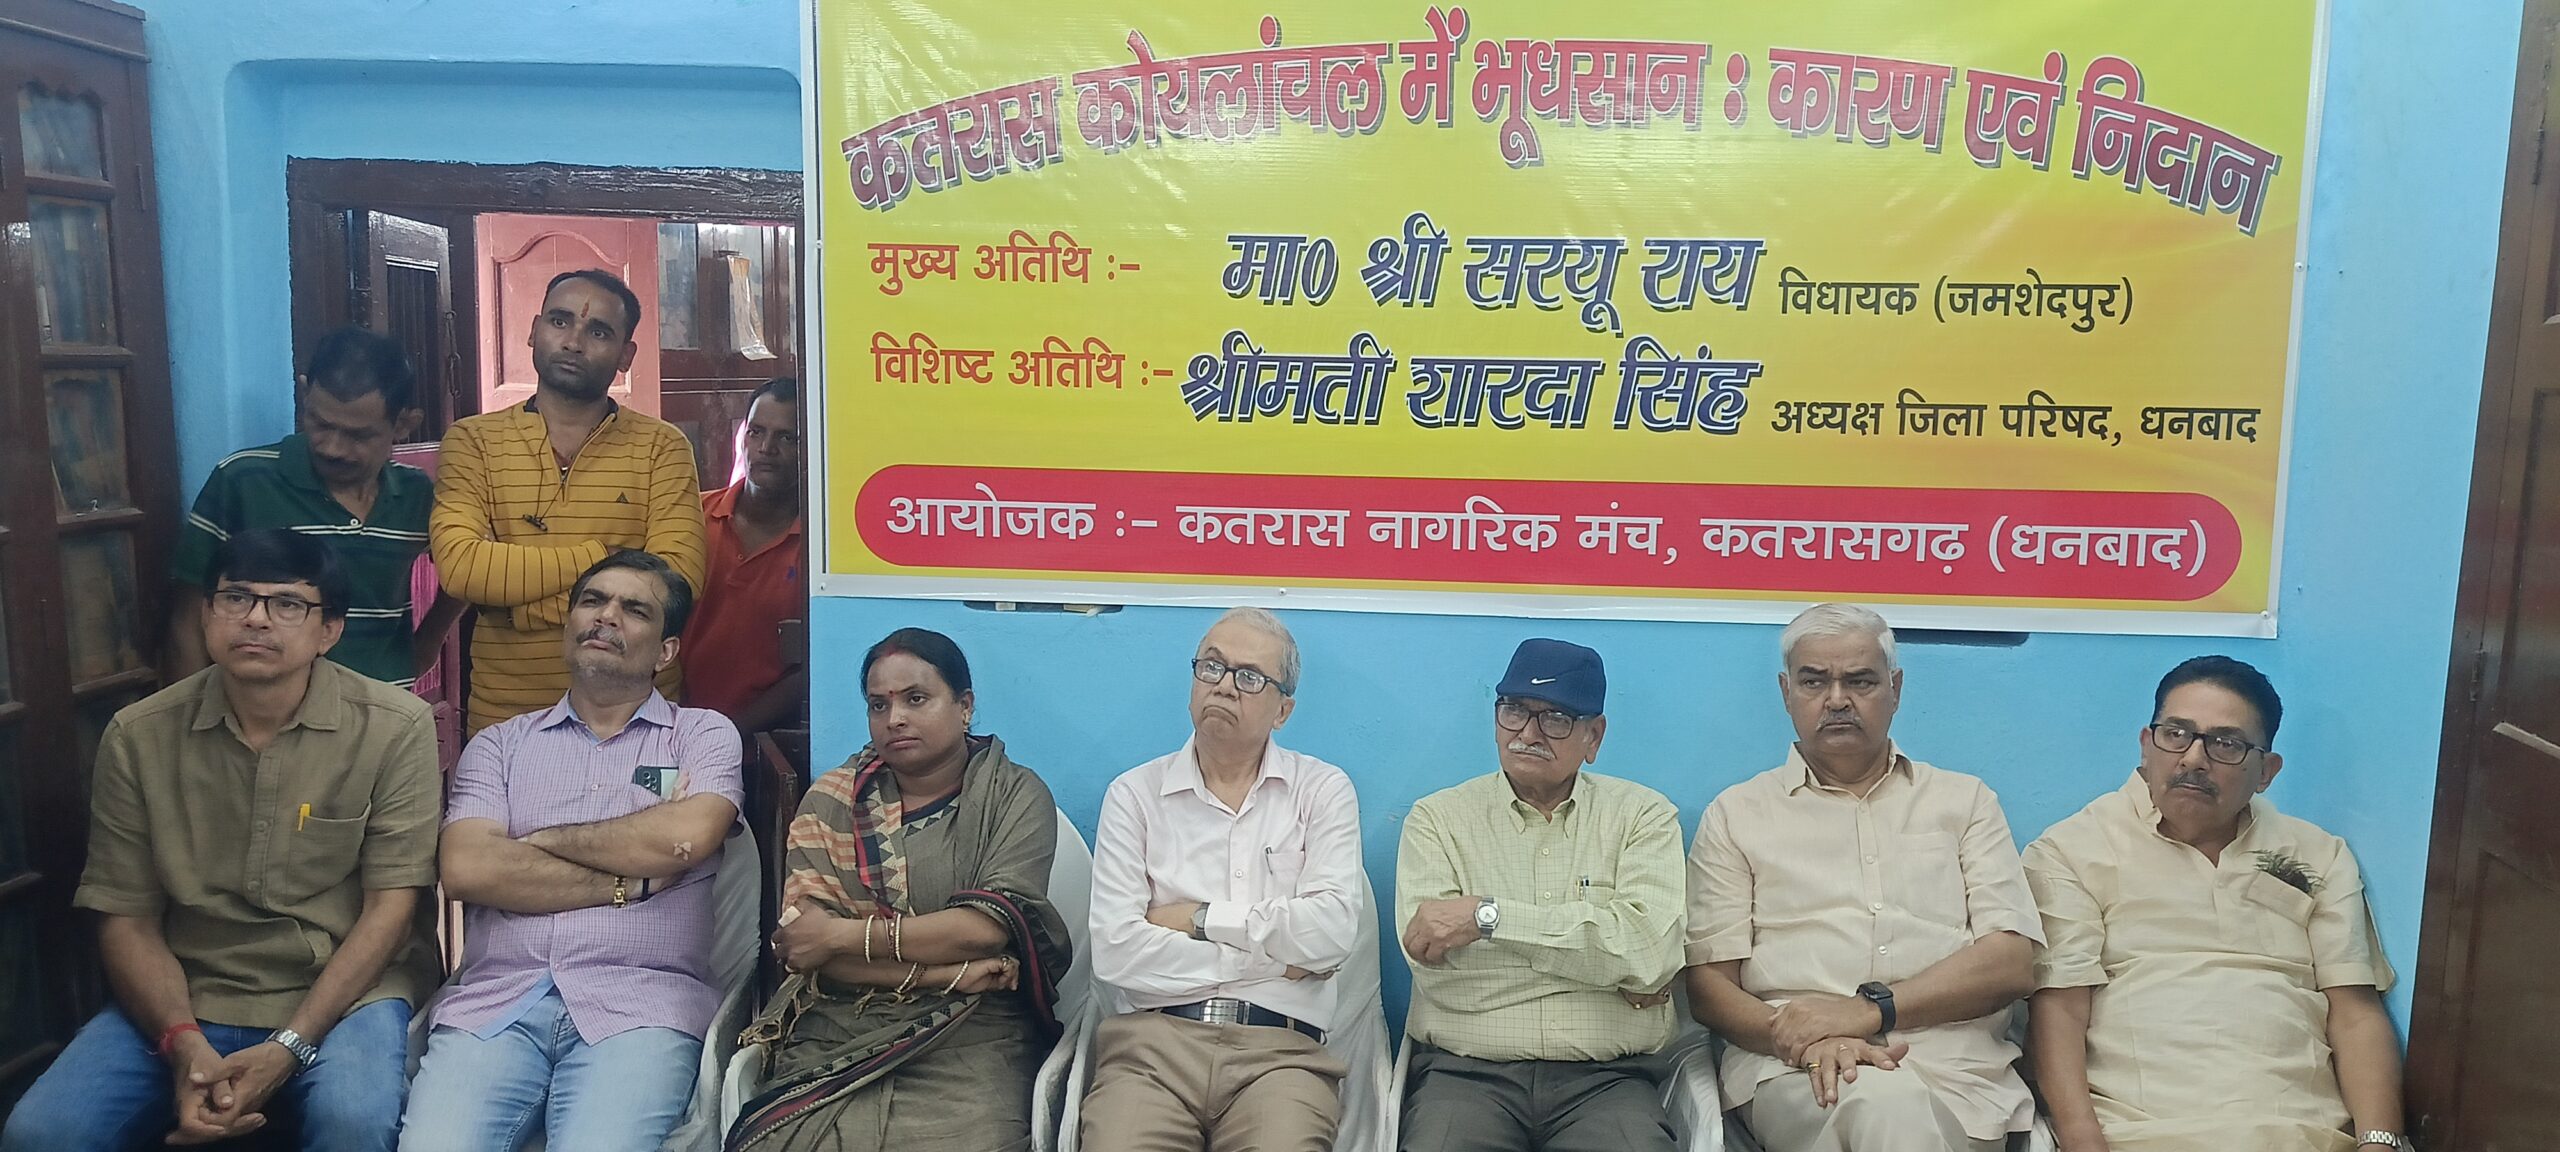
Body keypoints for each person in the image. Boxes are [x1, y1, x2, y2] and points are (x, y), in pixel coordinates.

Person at [2, 529, 441, 1152]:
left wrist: (289, 1047)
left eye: (287, 603)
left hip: (347, 994)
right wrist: (183, 1044)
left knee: (354, 1121)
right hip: (191, 989)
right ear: (207, 614)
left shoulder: (393, 728)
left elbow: (392, 911)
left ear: (330, 631)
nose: (256, 619)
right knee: (41, 1132)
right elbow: (126, 918)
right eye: (236, 597)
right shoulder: (139, 735)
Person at [400, 550, 742, 1151]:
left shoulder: (702, 734)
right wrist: (632, 881)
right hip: (495, 1005)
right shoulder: (499, 745)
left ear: (665, 652)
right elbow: (469, 869)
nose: (606, 616)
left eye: (634, 610)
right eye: (592, 601)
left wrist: (538, 841)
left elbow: (682, 838)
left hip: (641, 1006)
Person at [1684, 603, 2042, 1152]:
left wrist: (1868, 1011)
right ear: (1785, 692)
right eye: (1814, 681)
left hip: (1962, 1077)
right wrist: (1800, 1041)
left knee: (1903, 1116)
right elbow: (1710, 989)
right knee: (1885, 1108)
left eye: (1860, 681)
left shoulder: (1965, 802)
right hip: (1804, 1072)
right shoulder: (1737, 815)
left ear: (1895, 689)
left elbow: (2011, 961)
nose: (1837, 699)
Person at [2024, 657, 2407, 1152]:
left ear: (2266, 771)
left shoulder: (2318, 854)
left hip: (2304, 1134)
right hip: (2140, 1134)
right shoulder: (2072, 850)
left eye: (2226, 743)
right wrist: (2082, 1143)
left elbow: (2355, 1015)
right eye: (2176, 734)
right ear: (2146, 744)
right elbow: (2059, 1011)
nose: (2193, 759)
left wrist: (2379, 1142)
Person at [727, 628, 1072, 1152]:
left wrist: (839, 935)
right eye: (878, 704)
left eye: (916, 699)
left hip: (973, 1031)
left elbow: (982, 931)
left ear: (964, 706)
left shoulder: (1013, 795)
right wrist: (949, 973)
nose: (895, 719)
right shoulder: (831, 803)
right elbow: (809, 953)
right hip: (840, 1023)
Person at [1082, 608, 1367, 1152]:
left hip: (1281, 1054)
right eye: (1212, 667)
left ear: (1283, 710)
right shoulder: (1134, 795)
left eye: (1250, 677)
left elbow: (1330, 933)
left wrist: (1198, 919)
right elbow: (1116, 953)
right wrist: (1274, 961)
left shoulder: (1322, 791)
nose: (1225, 686)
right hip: (1150, 1049)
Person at [1397, 638, 1686, 1152]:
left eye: (1555, 718)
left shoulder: (1643, 816)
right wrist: (1603, 971)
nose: (1528, 734)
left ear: (1594, 736)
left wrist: (1486, 919)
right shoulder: (1437, 820)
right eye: (1513, 710)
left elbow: (1649, 954)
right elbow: (1441, 978)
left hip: (1608, 1082)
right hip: (1465, 1078)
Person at [430, 268, 707, 733]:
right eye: (560, 322)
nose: (574, 342)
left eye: (598, 332)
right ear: (534, 330)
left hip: (637, 718)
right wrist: (605, 556)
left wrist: (516, 607)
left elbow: (677, 580)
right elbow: (462, 569)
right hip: (507, 717)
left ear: (626, 355)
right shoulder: (473, 441)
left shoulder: (662, 447)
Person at [168, 325, 464, 688]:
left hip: (384, 707)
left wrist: (430, 640)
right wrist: (194, 714)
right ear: (305, 393)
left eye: (358, 435)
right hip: (266, 708)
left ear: (404, 424)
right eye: (320, 424)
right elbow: (187, 618)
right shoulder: (243, 480)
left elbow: (466, 571)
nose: (332, 448)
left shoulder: (417, 494)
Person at [685, 377, 806, 733]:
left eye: (787, 438)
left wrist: (729, 735)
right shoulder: (690, 515)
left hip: (768, 740)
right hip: (668, 728)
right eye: (756, 432)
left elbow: (813, 667)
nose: (767, 448)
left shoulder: (821, 546)